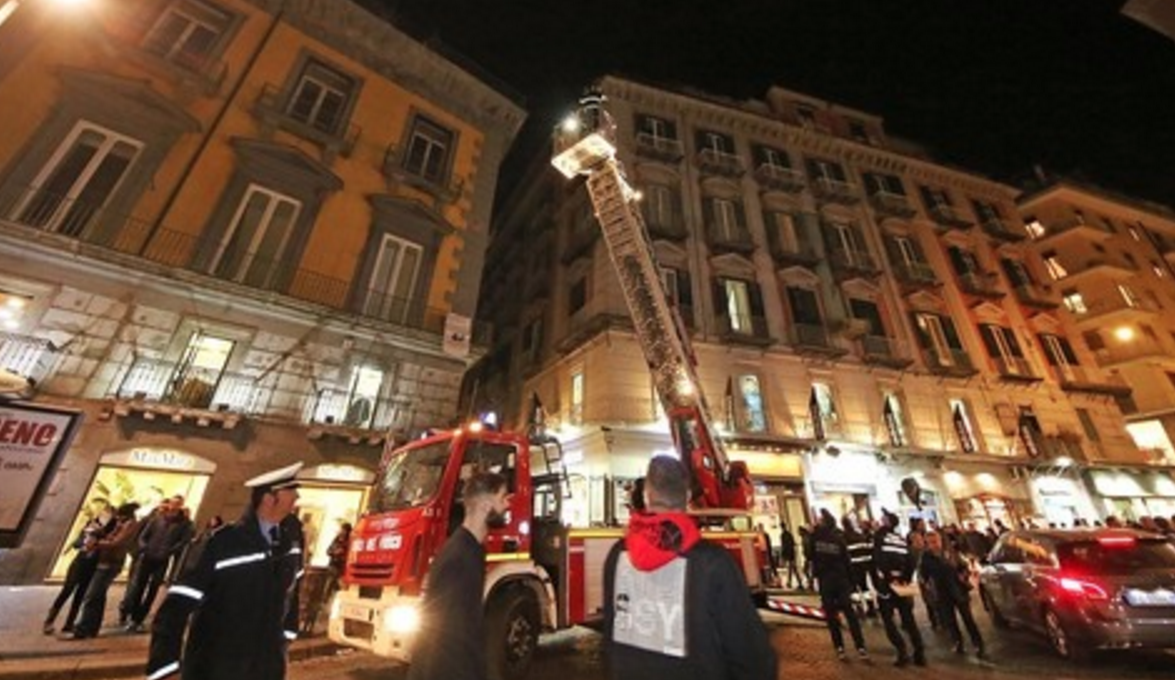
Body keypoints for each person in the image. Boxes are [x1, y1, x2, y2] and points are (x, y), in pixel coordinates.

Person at [603, 455, 776, 680]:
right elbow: (752, 657)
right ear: (686, 497)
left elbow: (610, 637)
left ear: (646, 495)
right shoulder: (712, 562)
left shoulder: (617, 556)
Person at [146, 462, 306, 680]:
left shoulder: (290, 545)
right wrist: (165, 668)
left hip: (267, 668)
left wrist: (285, 640)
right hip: (216, 666)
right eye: (291, 491)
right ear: (270, 498)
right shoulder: (221, 543)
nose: (296, 498)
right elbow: (175, 608)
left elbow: (292, 595)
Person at [407, 471, 511, 680]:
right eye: (502, 498)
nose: (507, 505)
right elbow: (453, 636)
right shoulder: (462, 557)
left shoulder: (466, 548)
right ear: (485, 506)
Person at [72, 502, 142, 639]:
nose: (117, 517)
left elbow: (118, 543)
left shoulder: (130, 525)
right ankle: (91, 628)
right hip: (105, 561)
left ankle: (83, 628)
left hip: (111, 563)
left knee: (91, 595)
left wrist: (97, 544)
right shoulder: (121, 524)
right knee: (98, 596)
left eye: (120, 515)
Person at [125, 495, 194, 633]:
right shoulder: (157, 519)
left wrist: (169, 550)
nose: (174, 506)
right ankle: (132, 616)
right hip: (148, 557)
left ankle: (140, 618)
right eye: (173, 503)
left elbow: (183, 541)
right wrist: (144, 547)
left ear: (181, 505)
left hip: (162, 559)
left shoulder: (184, 523)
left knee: (153, 588)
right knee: (139, 586)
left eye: (178, 504)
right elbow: (144, 536)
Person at [43, 506, 113, 635]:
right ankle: (49, 620)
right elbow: (77, 543)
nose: (105, 517)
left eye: (108, 515)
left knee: (80, 595)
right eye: (104, 513)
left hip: (92, 566)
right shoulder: (90, 525)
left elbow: (111, 545)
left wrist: (101, 537)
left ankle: (69, 623)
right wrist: (84, 543)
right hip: (79, 563)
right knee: (67, 590)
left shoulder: (109, 531)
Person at [812, 509, 868, 661]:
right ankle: (861, 647)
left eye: (819, 519)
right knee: (850, 614)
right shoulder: (838, 539)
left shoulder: (816, 539)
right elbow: (846, 561)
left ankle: (840, 648)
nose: (816, 521)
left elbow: (809, 555)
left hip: (827, 582)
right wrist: (852, 583)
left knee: (831, 616)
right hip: (841, 580)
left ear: (823, 522)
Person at [872, 509, 925, 667]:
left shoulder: (880, 537)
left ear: (887, 522)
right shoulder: (900, 538)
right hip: (904, 582)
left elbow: (878, 559)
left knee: (888, 619)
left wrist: (887, 579)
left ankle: (902, 651)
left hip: (888, 583)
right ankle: (919, 653)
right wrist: (906, 578)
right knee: (909, 619)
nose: (879, 521)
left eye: (882, 519)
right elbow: (910, 560)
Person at [922, 530, 986, 658]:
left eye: (936, 541)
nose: (934, 545)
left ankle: (978, 644)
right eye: (931, 542)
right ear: (927, 544)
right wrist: (928, 588)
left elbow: (964, 567)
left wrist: (964, 575)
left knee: (968, 619)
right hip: (942, 593)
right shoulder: (926, 558)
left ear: (940, 541)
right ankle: (958, 642)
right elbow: (924, 575)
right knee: (951, 621)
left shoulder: (951, 553)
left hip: (958, 590)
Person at [843, 515, 876, 618]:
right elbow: (868, 550)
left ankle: (859, 609)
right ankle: (871, 608)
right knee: (864, 587)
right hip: (863, 566)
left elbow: (844, 553)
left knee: (853, 589)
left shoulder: (844, 537)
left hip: (852, 566)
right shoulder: (860, 535)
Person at [778, 524, 801, 589]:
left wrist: (783, 555)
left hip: (788, 554)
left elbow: (783, 546)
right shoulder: (789, 534)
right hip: (792, 553)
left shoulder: (783, 535)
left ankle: (794, 582)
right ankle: (792, 582)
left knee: (792, 568)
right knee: (792, 568)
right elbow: (793, 543)